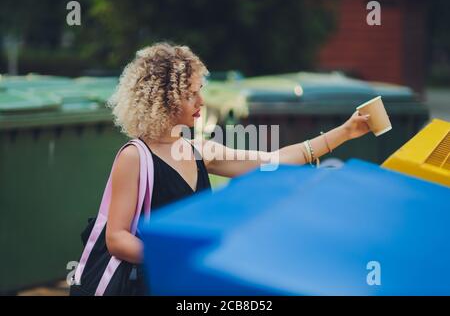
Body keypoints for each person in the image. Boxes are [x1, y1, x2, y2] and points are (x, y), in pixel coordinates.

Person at [105, 42, 371, 292]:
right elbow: (116, 237)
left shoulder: (200, 150)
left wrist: (345, 132)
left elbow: (274, 161)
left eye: (200, 91)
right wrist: (174, 257)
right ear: (164, 100)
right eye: (191, 95)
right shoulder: (135, 157)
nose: (202, 102)